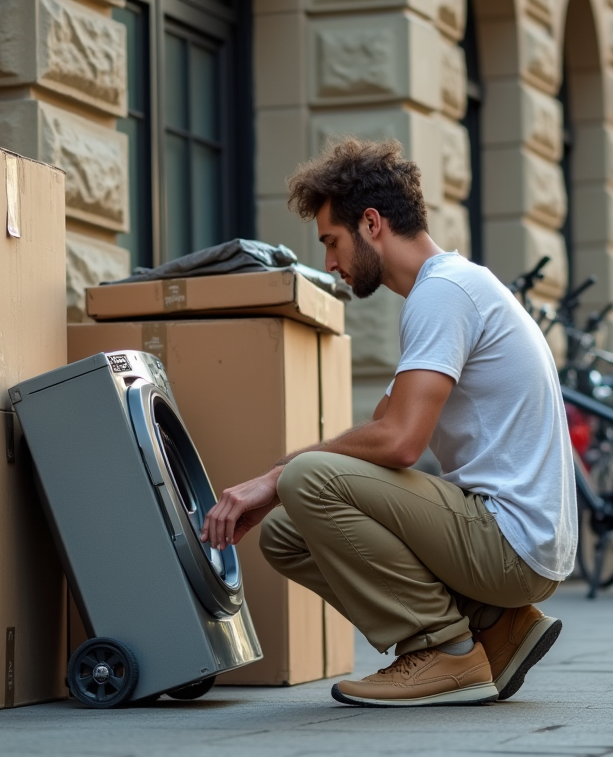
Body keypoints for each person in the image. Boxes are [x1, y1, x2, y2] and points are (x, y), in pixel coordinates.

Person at [200, 138, 578, 708]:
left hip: (510, 543)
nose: (329, 262)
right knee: (286, 530)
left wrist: (276, 477)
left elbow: (399, 443)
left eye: (332, 241)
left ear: (371, 223)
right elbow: (379, 427)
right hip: (516, 546)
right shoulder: (447, 290)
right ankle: (496, 626)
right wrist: (279, 484)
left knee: (306, 479)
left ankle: (445, 652)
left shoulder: (443, 294)